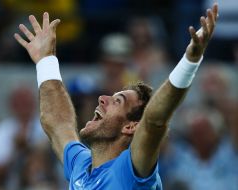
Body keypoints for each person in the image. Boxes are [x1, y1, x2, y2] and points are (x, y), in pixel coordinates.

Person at [14, 3, 218, 189]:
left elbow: (154, 120)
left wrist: (190, 62)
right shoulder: (81, 164)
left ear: (130, 126)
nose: (103, 98)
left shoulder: (131, 170)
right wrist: (45, 61)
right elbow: (57, 122)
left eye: (117, 101)